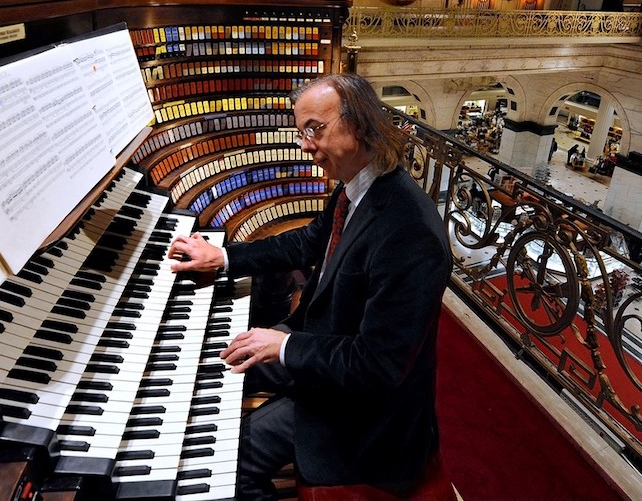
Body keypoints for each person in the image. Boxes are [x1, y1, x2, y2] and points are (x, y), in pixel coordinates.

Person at [168, 73, 452, 499]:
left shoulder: (410, 233)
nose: (304, 145)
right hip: (326, 351)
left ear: (357, 124)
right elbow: (304, 242)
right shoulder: (357, 187)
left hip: (368, 415)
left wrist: (284, 346)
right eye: (302, 132)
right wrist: (223, 257)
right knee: (214, 362)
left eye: (314, 130)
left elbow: (378, 366)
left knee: (231, 458)